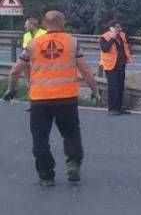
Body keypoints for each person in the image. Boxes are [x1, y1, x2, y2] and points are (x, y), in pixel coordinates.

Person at [3, 11, 100, 187]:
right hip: (66, 97)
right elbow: (85, 70)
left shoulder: (33, 43)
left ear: (43, 24)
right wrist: (94, 89)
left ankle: (46, 176)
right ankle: (73, 162)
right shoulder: (72, 42)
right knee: (71, 133)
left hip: (40, 99)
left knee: (40, 138)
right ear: (63, 23)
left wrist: (11, 88)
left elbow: (15, 70)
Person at [99, 20, 141, 116]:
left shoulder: (122, 35)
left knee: (120, 87)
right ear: (111, 28)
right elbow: (105, 48)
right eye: (117, 27)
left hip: (121, 64)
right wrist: (112, 39)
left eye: (120, 27)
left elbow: (130, 40)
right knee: (112, 87)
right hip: (110, 66)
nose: (120, 29)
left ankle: (119, 108)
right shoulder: (104, 37)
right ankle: (112, 109)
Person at [21, 18, 47, 112]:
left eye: (26, 24)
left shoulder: (44, 33)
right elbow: (25, 49)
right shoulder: (26, 35)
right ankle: (32, 104)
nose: (25, 26)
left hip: (41, 64)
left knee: (42, 84)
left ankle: (44, 103)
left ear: (32, 25)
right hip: (29, 63)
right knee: (30, 84)